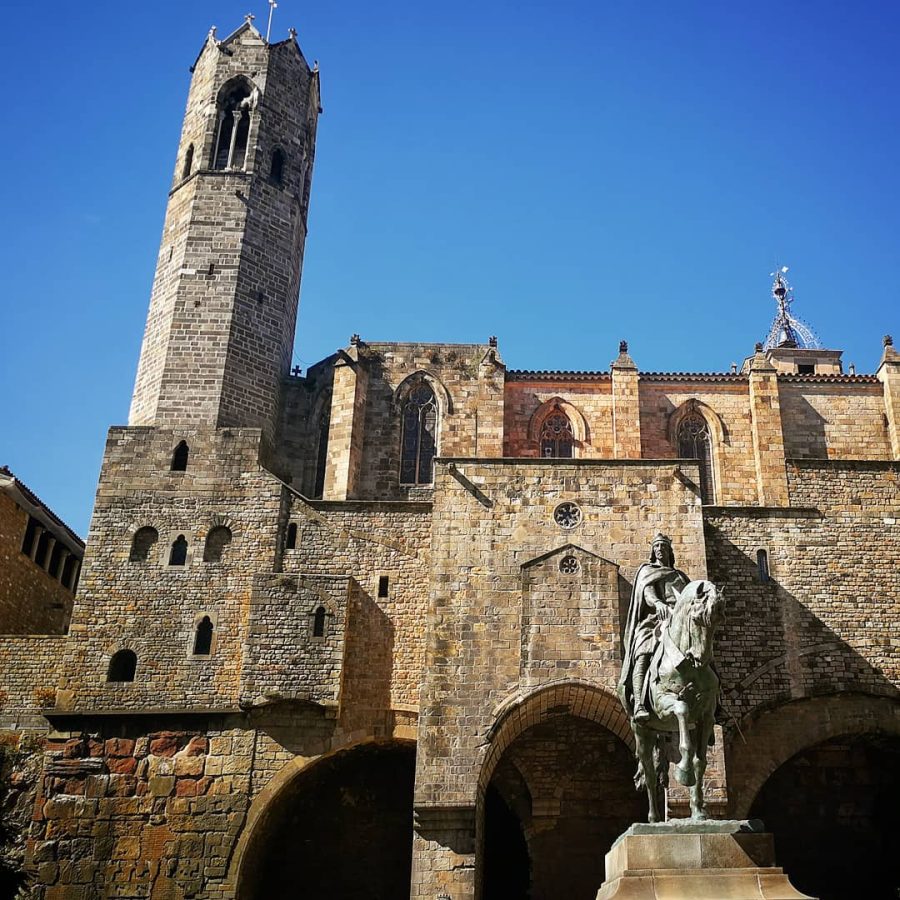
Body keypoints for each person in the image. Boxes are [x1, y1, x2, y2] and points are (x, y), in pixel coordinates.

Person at [618, 533, 689, 722]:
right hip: (653, 621)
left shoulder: (680, 576)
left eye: (663, 547)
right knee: (643, 652)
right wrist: (658, 604)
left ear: (669, 551)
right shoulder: (647, 571)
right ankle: (640, 703)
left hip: (679, 620)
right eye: (657, 546)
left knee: (702, 649)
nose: (660, 549)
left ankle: (716, 703)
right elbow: (647, 593)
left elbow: (690, 597)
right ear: (653, 550)